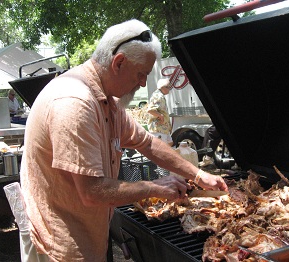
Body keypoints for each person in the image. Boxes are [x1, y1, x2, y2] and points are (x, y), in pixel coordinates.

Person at [20, 19, 228, 262]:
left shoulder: (108, 102)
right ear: (118, 62)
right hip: (58, 246)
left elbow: (148, 143)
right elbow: (92, 191)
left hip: (88, 234)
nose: (142, 83)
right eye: (141, 75)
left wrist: (198, 175)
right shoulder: (74, 103)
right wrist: (156, 187)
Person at [147, 78, 173, 146]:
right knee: (162, 149)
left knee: (170, 144)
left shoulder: (160, 95)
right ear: (162, 87)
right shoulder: (158, 96)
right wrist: (160, 116)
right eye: (168, 87)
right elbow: (150, 110)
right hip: (158, 130)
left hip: (163, 129)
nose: (169, 89)